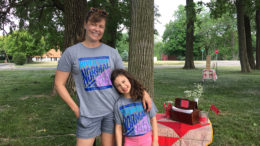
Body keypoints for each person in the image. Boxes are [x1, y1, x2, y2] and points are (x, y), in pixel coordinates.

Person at [54, 7, 152, 146]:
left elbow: (125, 79)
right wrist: (76, 109)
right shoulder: (71, 53)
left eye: (101, 26)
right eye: (94, 24)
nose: (97, 29)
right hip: (88, 114)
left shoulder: (112, 52)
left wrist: (144, 93)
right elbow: (59, 84)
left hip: (112, 112)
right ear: (85, 24)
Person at [111, 69, 159, 146]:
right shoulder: (119, 104)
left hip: (146, 140)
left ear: (129, 79)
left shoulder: (144, 98)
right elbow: (118, 127)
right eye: (118, 85)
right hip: (129, 142)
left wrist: (155, 141)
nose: (123, 86)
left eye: (123, 81)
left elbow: (153, 119)